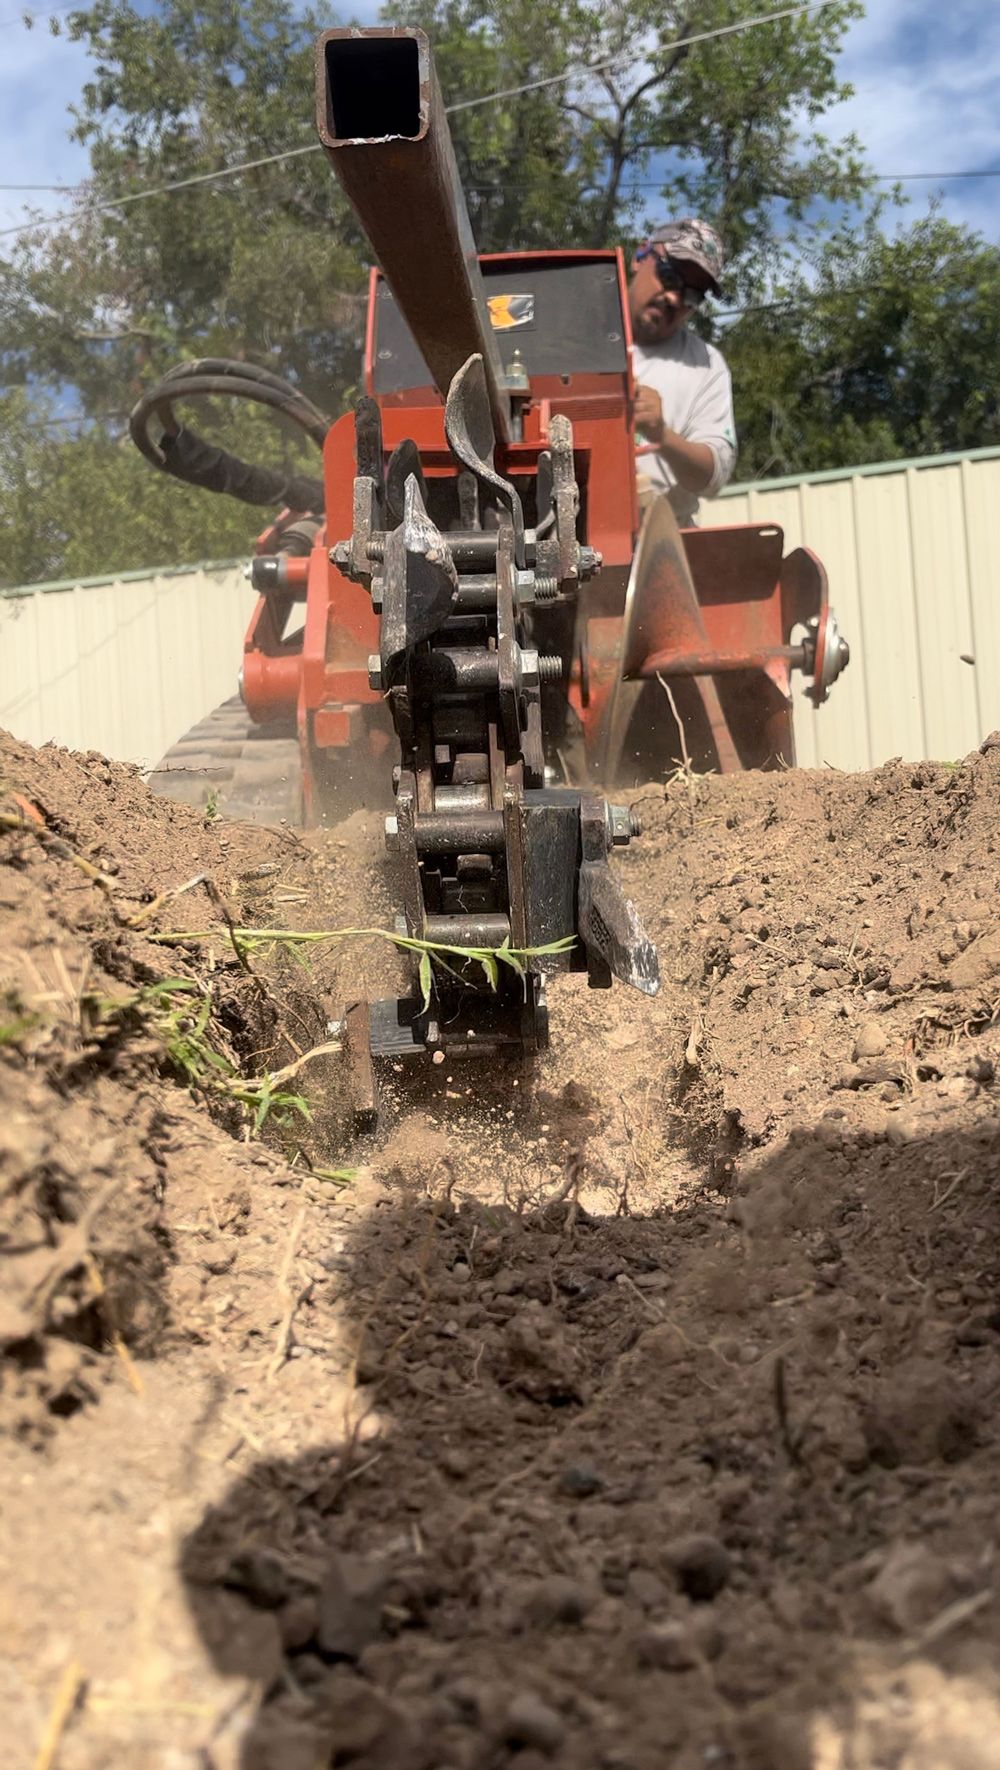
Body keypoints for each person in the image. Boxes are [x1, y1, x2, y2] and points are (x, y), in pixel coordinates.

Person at [629, 219, 736, 525]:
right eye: (669, 276)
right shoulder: (576, 331)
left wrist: (661, 434)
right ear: (640, 257)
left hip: (659, 541)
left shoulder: (705, 365)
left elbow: (713, 476)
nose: (675, 298)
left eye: (692, 294)